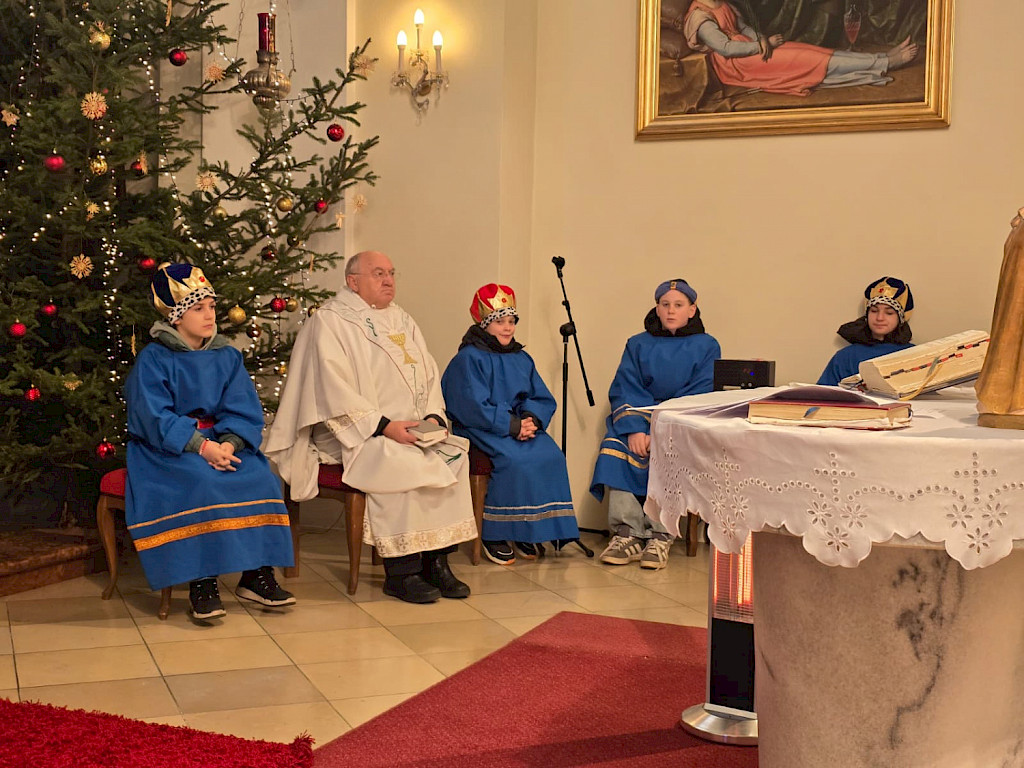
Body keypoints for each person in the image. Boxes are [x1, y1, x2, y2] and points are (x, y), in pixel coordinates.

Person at [263, 251, 476, 604]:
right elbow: (331, 388)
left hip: (411, 428)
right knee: (401, 460)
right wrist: (384, 426)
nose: (388, 280)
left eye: (391, 272)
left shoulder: (402, 319)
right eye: (378, 273)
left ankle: (436, 562)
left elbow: (428, 371)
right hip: (352, 432)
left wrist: (434, 417)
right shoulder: (330, 321)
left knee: (453, 454)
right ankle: (402, 571)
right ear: (353, 281)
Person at [124, 263, 296, 621]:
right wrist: (201, 447)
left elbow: (242, 407)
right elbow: (152, 415)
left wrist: (229, 444)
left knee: (259, 476)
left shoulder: (226, 356)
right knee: (201, 480)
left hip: (220, 442)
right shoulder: (154, 358)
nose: (209, 315)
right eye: (198, 308)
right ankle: (202, 581)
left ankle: (256, 575)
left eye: (212, 306)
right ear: (175, 317)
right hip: (168, 448)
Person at [441, 284, 579, 566]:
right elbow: (470, 405)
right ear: (484, 323)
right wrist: (512, 425)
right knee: (515, 460)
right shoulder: (468, 359)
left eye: (511, 321)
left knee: (551, 455)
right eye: (500, 322)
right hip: (482, 427)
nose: (507, 328)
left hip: (518, 425)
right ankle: (496, 533)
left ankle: (527, 528)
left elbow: (538, 395)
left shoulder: (521, 357)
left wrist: (531, 419)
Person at [590, 279, 720, 570]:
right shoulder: (637, 343)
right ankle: (627, 532)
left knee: (669, 450)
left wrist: (658, 428)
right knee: (616, 446)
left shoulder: (707, 345)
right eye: (665, 305)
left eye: (678, 305)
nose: (671, 311)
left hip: (677, 421)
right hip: (638, 416)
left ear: (692, 310)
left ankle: (661, 533)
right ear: (657, 308)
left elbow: (701, 390)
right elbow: (626, 385)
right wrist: (636, 427)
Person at [683, 0, 918, 97]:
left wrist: (762, 39)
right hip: (738, 64)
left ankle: (881, 57)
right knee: (810, 60)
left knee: (813, 52)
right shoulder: (700, 17)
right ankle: (886, 63)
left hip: (754, 49)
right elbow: (726, 48)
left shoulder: (721, 2)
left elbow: (743, 27)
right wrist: (762, 46)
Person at [817, 276, 914, 386]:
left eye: (889, 313)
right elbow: (822, 394)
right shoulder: (846, 357)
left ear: (900, 318)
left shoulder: (915, 356)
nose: (880, 318)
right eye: (874, 311)